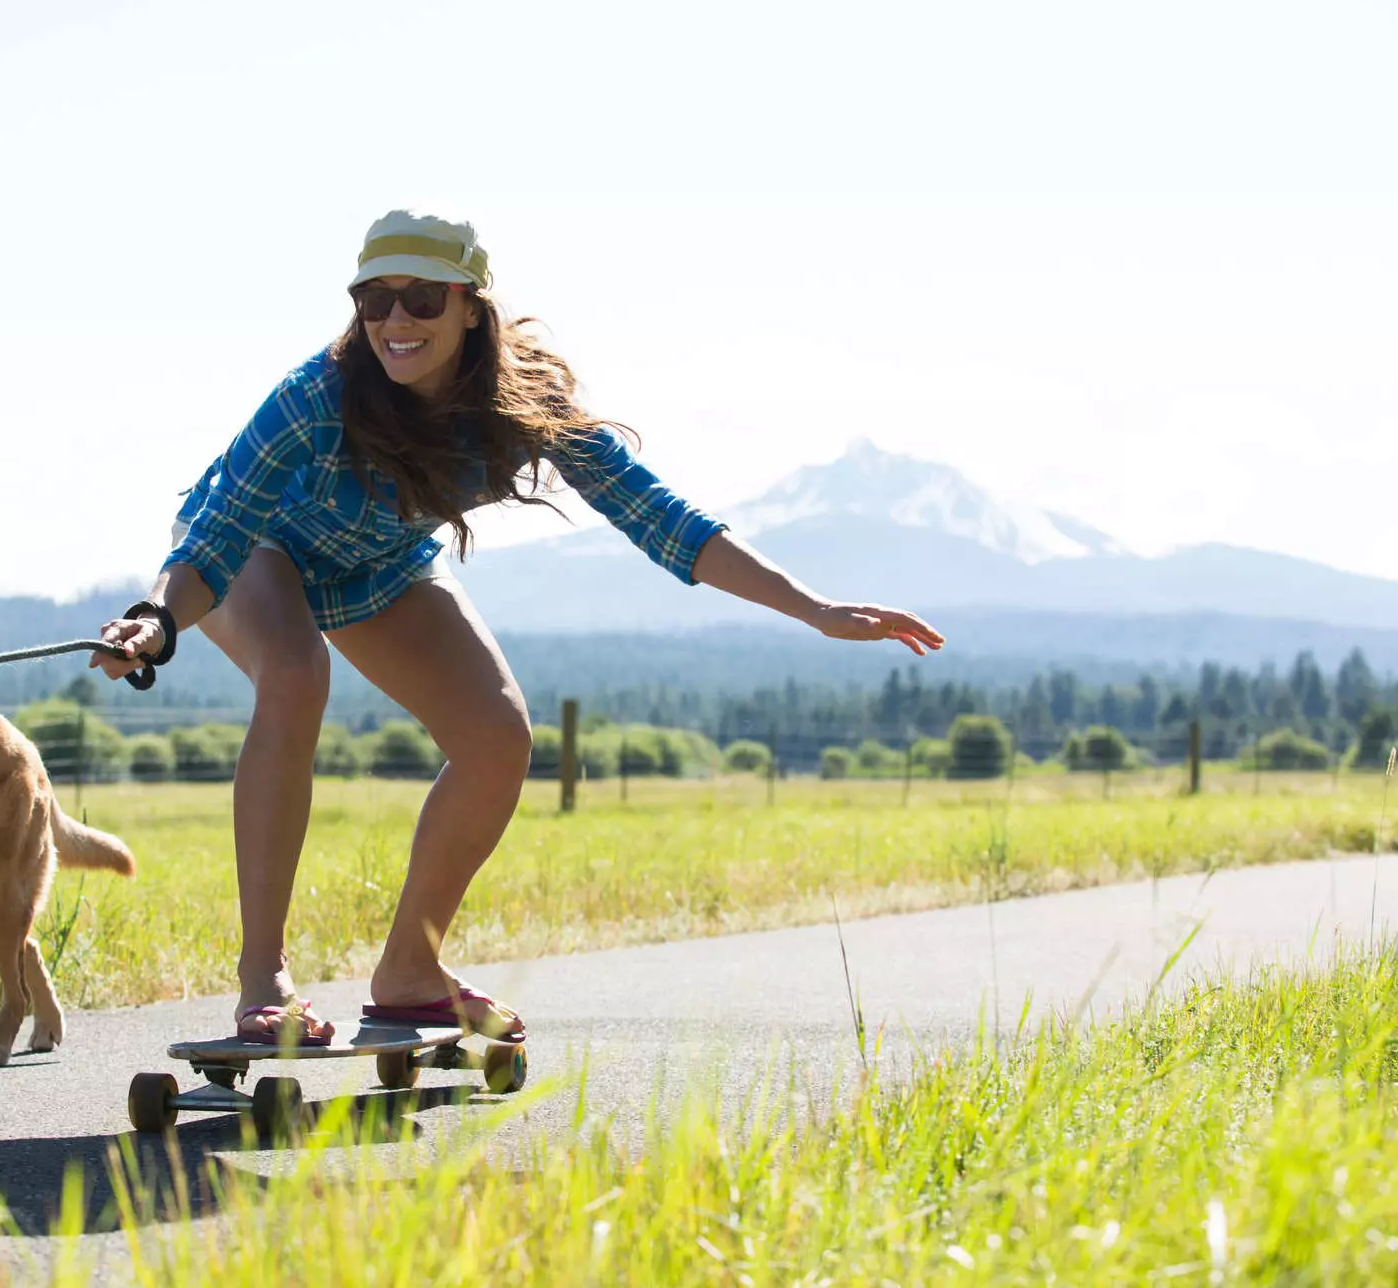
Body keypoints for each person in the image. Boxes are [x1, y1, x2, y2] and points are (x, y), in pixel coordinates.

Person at [91, 209, 944, 1046]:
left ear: (472, 305)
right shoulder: (316, 396)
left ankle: (409, 973)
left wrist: (814, 608)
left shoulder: (524, 400)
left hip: (380, 563)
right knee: (295, 673)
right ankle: (263, 981)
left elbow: (658, 517)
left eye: (423, 298)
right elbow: (218, 535)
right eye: (373, 299)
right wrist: (155, 620)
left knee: (498, 734)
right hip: (258, 547)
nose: (395, 320)